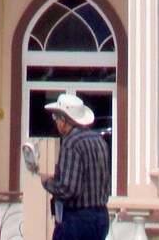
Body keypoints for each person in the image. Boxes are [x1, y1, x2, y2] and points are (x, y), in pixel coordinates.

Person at [40, 94, 111, 240]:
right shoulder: (99, 141)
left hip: (77, 220)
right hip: (101, 216)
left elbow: (69, 189)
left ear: (63, 121)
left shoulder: (70, 144)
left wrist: (47, 182)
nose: (55, 122)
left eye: (56, 117)